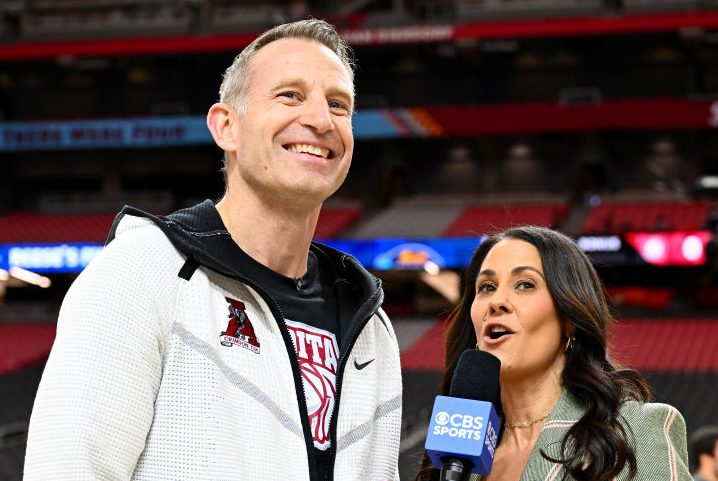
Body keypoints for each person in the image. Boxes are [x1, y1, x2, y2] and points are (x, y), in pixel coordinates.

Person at [24, 19, 402, 481]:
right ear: (227, 126)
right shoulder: (141, 272)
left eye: (339, 105)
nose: (321, 121)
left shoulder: (370, 323)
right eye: (290, 96)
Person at [416, 225, 691, 481]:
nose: (497, 302)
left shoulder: (636, 430)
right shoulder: (452, 456)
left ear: (569, 318)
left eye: (525, 284)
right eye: (486, 287)